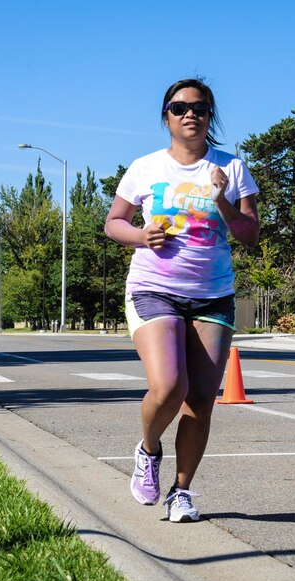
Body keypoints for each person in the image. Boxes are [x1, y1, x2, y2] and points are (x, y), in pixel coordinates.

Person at [105, 78, 260, 522]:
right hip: (154, 288)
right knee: (170, 386)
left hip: (213, 294)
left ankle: (181, 491)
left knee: (202, 400)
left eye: (199, 107)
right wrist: (140, 235)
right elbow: (114, 221)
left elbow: (250, 235)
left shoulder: (231, 169)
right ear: (166, 116)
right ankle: (148, 449)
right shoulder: (145, 167)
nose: (190, 114)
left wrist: (222, 201)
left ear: (210, 115)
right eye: (179, 107)